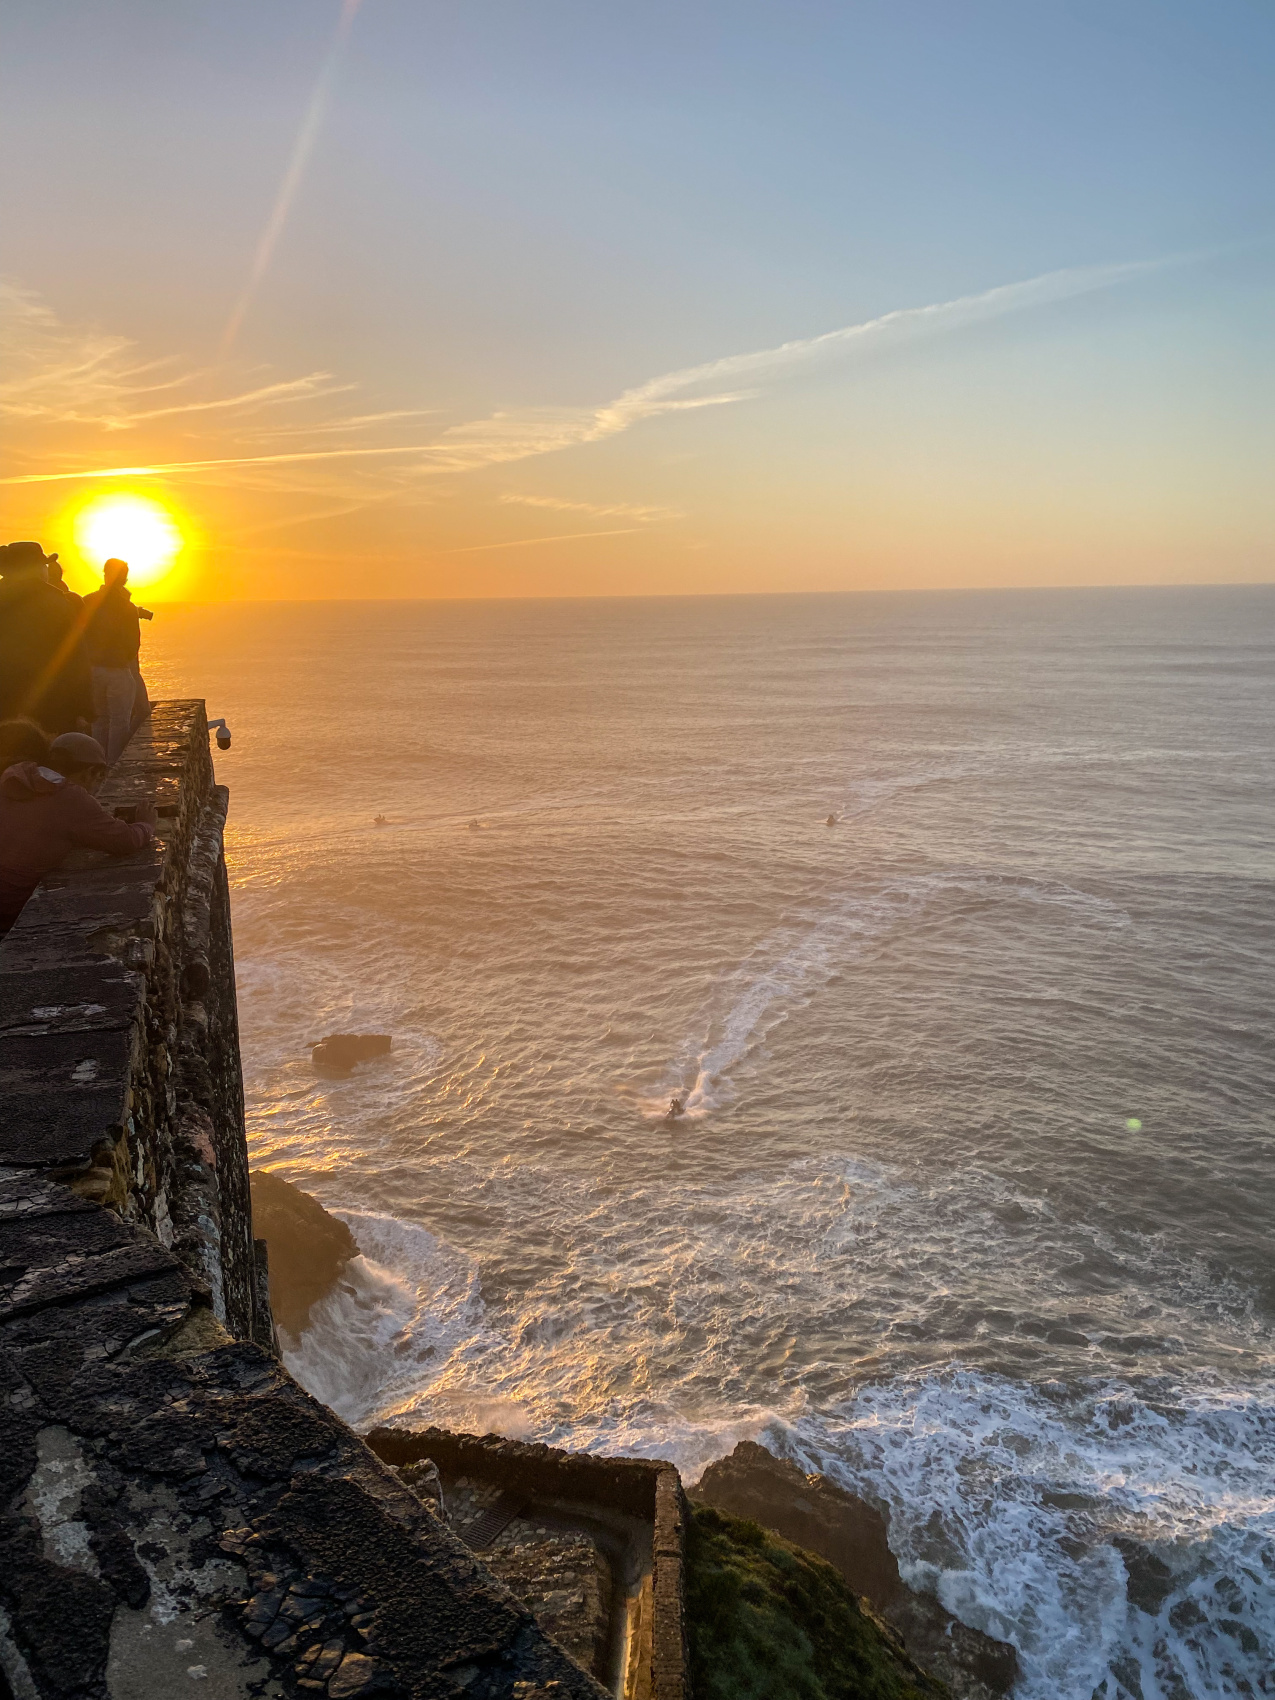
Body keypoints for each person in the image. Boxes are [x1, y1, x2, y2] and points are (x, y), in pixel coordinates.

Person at [0, 732, 155, 937]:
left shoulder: (15, 777)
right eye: (98, 777)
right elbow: (125, 840)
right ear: (89, 772)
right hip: (9, 911)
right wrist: (146, 824)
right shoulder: (70, 798)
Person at [0, 541, 93, 734]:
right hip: (50, 707)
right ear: (34, 569)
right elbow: (75, 659)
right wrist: (84, 709)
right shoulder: (57, 604)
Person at [82, 558, 151, 763]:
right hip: (118, 670)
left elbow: (79, 635)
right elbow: (133, 643)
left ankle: (96, 763)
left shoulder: (87, 601)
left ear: (104, 574)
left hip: (93, 669)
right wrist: (123, 659)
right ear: (124, 578)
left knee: (99, 721)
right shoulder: (127, 607)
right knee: (119, 721)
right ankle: (113, 765)